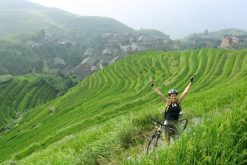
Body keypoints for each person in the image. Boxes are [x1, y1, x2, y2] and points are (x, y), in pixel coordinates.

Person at [149, 75, 195, 144]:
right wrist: (152, 86)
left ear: (176, 96)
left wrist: (190, 82)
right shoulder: (168, 102)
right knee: (167, 140)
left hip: (175, 123)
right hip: (168, 122)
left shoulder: (178, 101)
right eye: (172, 96)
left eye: (174, 95)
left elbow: (185, 92)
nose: (173, 97)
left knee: (178, 140)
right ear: (170, 97)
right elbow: (160, 94)